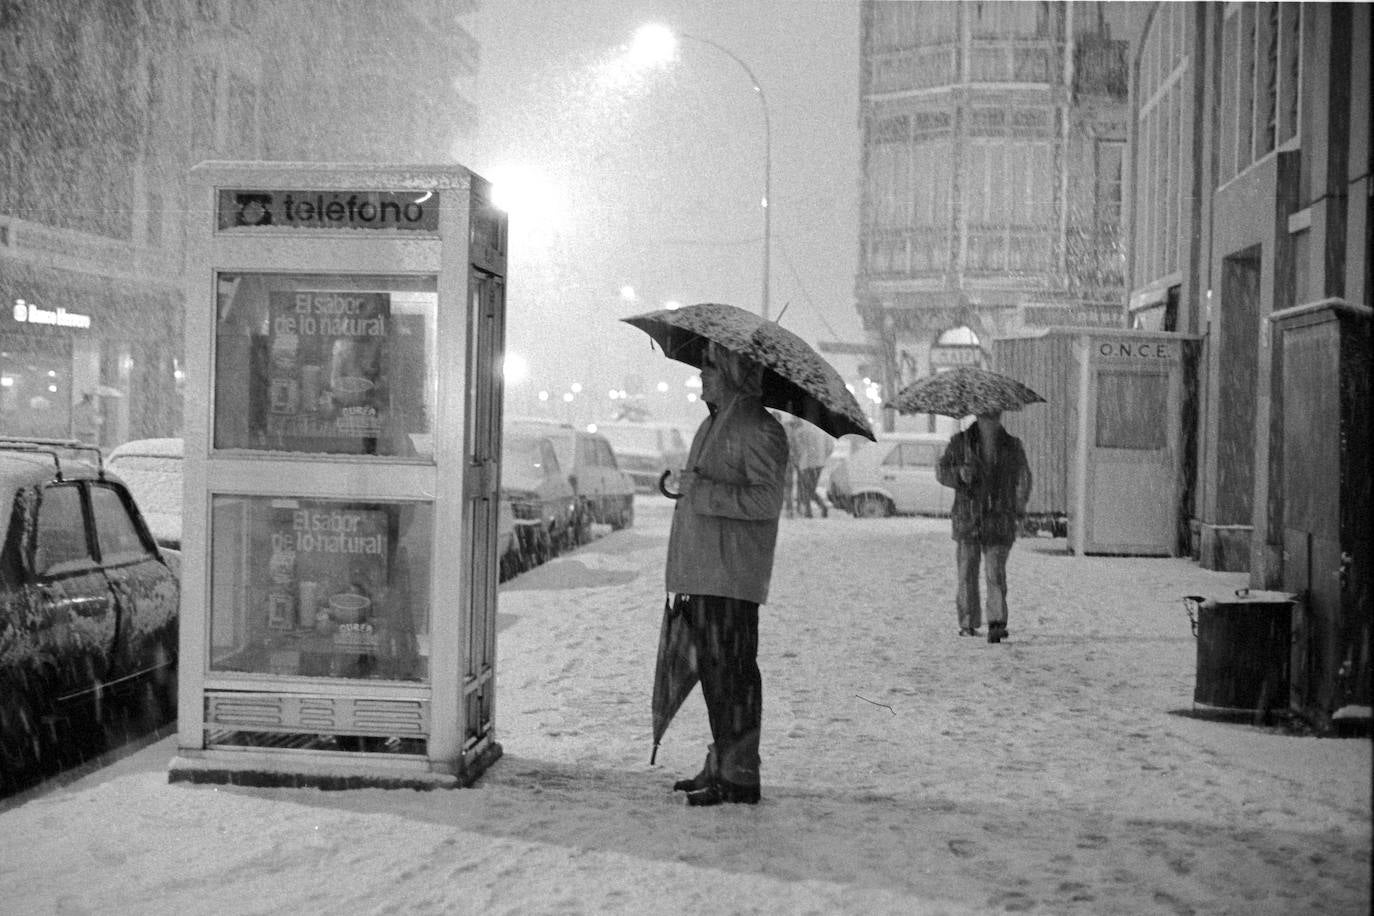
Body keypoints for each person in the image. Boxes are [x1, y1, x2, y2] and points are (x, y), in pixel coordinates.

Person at [666, 341, 788, 806]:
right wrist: (688, 486)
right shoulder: (716, 423)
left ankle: (739, 774)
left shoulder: (759, 428)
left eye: (712, 365)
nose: (701, 372)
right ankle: (724, 759)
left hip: (731, 575)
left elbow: (765, 501)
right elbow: (705, 486)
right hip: (706, 570)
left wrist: (706, 493)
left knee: (733, 675)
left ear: (735, 372)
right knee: (717, 675)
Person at [935, 411, 1032, 643]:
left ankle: (996, 623)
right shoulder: (961, 443)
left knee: (994, 572)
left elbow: (1024, 478)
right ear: (978, 416)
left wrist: (1017, 506)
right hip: (969, 518)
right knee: (967, 571)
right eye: (987, 414)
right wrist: (959, 474)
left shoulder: (1011, 445)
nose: (991, 419)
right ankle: (968, 622)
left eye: (994, 414)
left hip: (999, 519)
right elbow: (942, 471)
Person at [791, 420, 835, 518]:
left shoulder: (802, 430)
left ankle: (810, 511)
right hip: (819, 464)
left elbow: (797, 446)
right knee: (811, 488)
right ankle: (819, 507)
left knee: (807, 488)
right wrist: (824, 457)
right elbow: (831, 446)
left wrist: (798, 457)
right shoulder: (823, 432)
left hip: (806, 463)